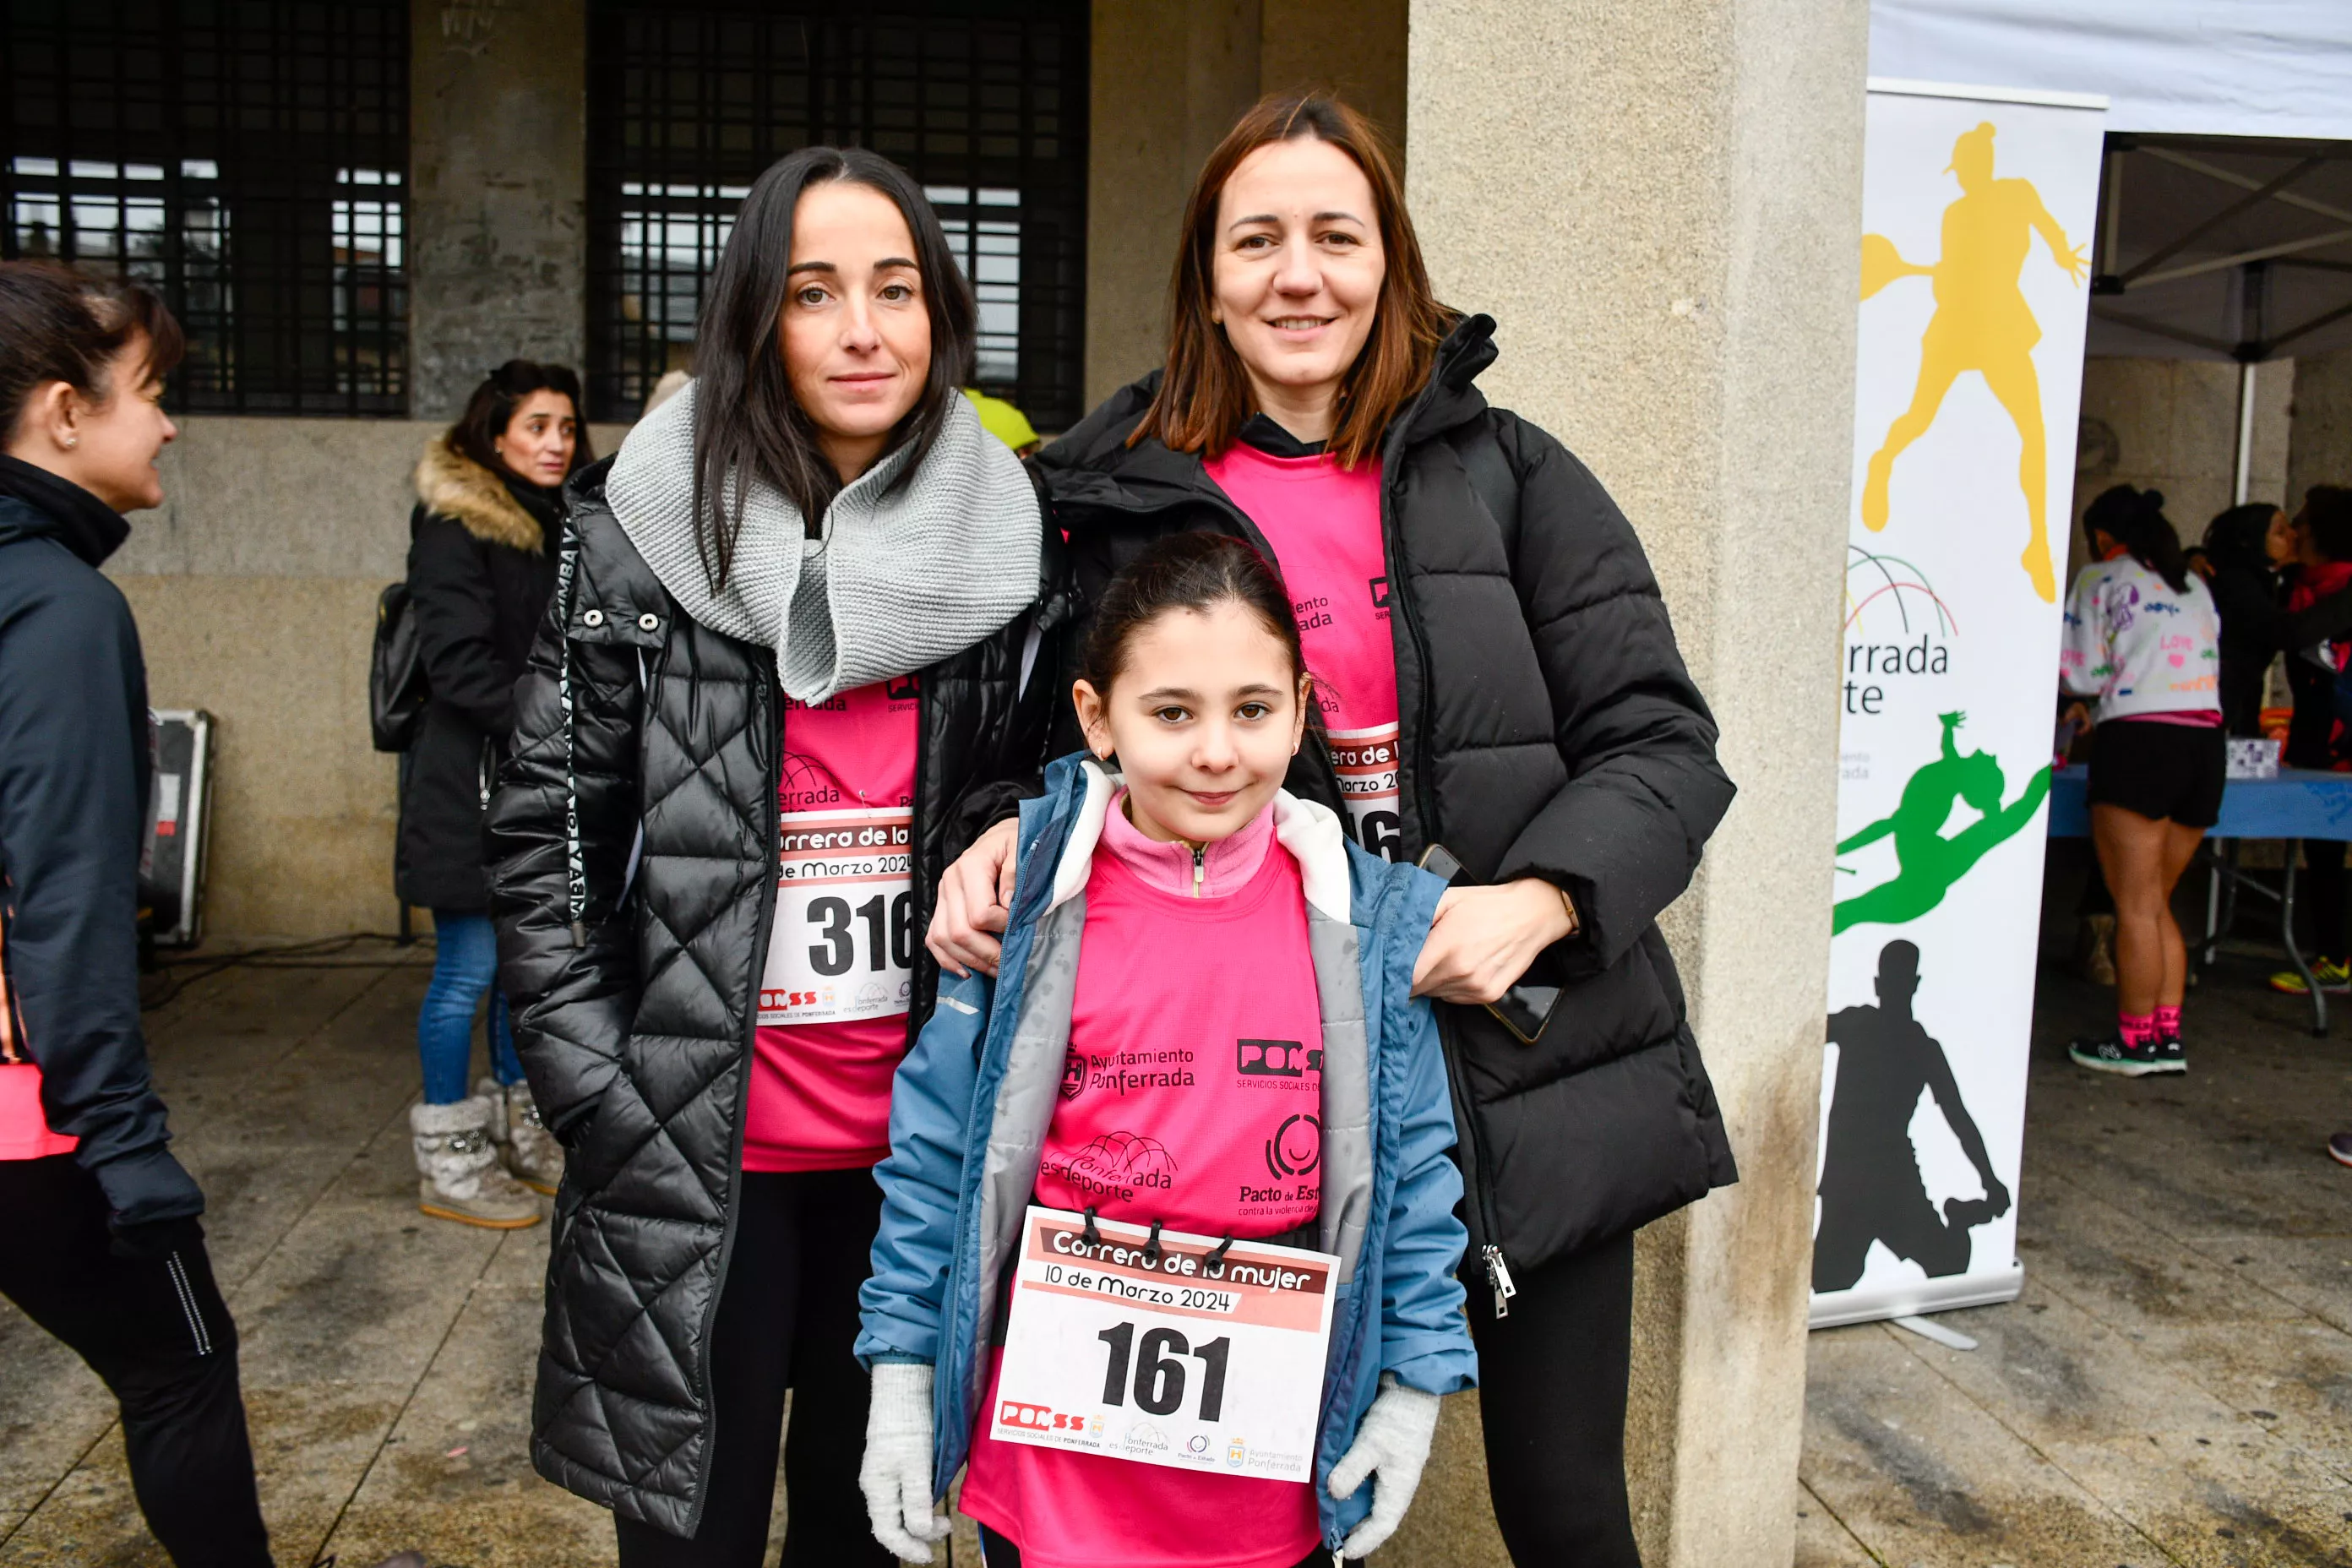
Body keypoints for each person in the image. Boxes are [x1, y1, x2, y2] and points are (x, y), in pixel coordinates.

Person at [927, 93, 1737, 1566]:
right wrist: (990, 835)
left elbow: (1662, 746)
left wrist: (1540, 902)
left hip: (1524, 1068)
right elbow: (1019, 748)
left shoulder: (1514, 478)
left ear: (1389, 264)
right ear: (1206, 275)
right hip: (1238, 1104)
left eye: (1334, 236)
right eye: (1256, 240)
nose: (1297, 276)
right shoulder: (1107, 496)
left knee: (1563, 1510)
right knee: (1248, 1512)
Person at [485, 147, 1055, 1565]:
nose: (862, 329)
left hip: (916, 1158)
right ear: (753, 317)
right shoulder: (639, 531)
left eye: (894, 289)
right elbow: (548, 824)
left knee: (868, 1538)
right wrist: (594, 1086)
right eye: (813, 293)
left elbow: (1048, 779)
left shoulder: (1013, 539)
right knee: (691, 1530)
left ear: (941, 317)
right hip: (694, 1148)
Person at [857, 532, 1475, 1567]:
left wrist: (1414, 1385)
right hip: (1052, 1474)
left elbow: (1413, 1174)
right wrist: (904, 1381)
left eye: (1252, 708)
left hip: (1268, 1481)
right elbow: (935, 1166)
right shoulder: (1026, 912)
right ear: (1098, 717)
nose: (1217, 752)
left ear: (1302, 707)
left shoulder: (1366, 926)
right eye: (1172, 712)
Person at [0, 259, 423, 1568]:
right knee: (184, 1366)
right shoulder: (60, 609)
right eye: (150, 392)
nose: (170, 422)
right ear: (64, 412)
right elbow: (66, 896)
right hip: (35, 1116)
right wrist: (124, 1149)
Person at [397, 360, 589, 1228]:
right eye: (537, 426)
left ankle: (521, 1131)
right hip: (468, 782)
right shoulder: (455, 521)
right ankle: (451, 1157)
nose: (555, 443)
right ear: (494, 432)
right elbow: (458, 664)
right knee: (467, 970)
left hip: (532, 774)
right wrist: (561, 718)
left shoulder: (560, 522)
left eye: (567, 427)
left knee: (522, 971)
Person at [1858, 121, 2089, 602]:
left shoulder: (2016, 194)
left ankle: (2037, 545)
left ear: (1977, 165)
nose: (1963, 177)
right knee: (1920, 418)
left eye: (1966, 167)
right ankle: (1883, 461)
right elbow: (1949, 285)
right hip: (1958, 326)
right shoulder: (1957, 214)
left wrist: (2064, 253)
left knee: (2035, 434)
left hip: (2001, 325)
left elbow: (2047, 230)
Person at [2059, 484, 2224, 1075]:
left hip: (2140, 744)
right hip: (2206, 745)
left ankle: (2133, 1044)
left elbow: (2079, 671)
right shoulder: (2193, 586)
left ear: (2103, 538)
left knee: (2131, 905)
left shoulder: (2100, 580)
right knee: (2157, 901)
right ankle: (2165, 1038)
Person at [1813, 940, 2010, 1292]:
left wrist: (1990, 1179)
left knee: (1940, 1264)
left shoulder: (1879, 1031)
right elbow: (1959, 1120)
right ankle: (1960, 1219)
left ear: (1879, 983)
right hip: (1867, 1179)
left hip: (1874, 1179)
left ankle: (1960, 1219)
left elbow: (1958, 1118)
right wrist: (1988, 1180)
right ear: (1914, 983)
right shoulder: (1904, 1040)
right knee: (1830, 1279)